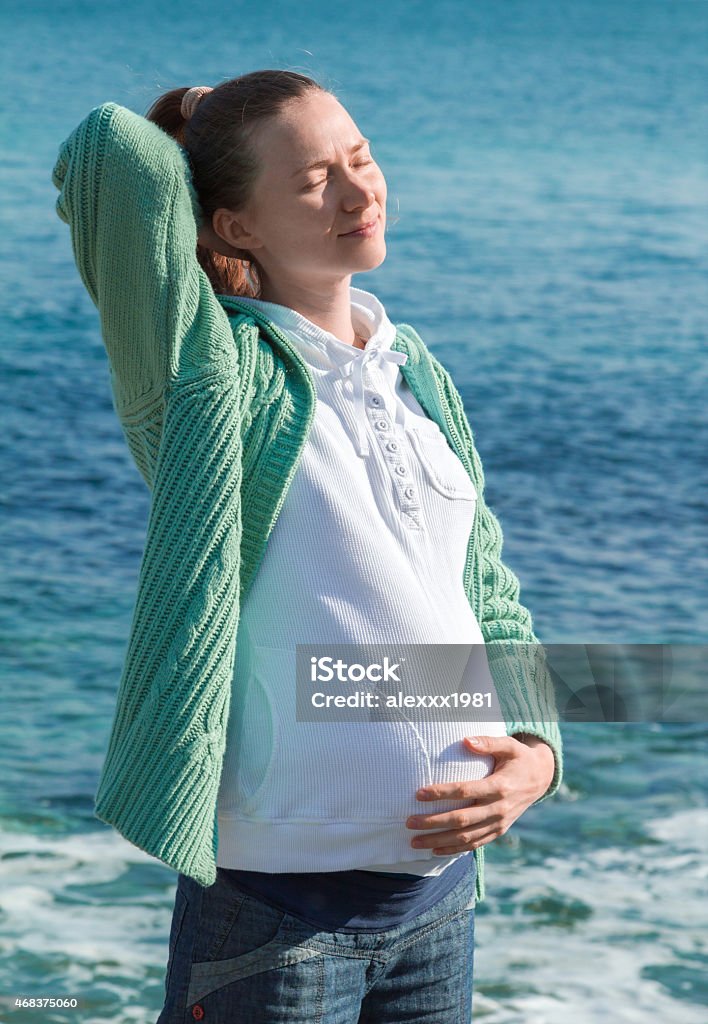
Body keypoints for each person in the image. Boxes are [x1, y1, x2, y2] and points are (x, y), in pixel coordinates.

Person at [51, 69, 563, 1024]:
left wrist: (535, 747)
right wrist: (203, 118)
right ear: (236, 227)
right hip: (280, 921)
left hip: (439, 905)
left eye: (360, 157)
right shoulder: (212, 380)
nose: (360, 190)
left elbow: (487, 588)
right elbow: (111, 155)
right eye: (312, 179)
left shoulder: (417, 375)